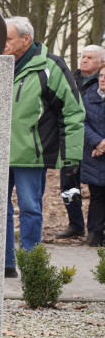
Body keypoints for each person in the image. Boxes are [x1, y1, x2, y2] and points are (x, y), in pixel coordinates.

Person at [3, 16, 84, 278]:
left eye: (7, 39)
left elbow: (72, 112)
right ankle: (4, 263)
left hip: (30, 155)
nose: (2, 44)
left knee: (30, 208)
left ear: (26, 39)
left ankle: (31, 265)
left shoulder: (50, 67)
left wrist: (71, 156)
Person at [55, 45, 105, 240]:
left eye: (90, 58)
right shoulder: (70, 79)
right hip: (71, 141)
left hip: (94, 147)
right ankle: (75, 224)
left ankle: (96, 230)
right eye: (83, 56)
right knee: (69, 186)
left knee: (97, 190)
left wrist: (98, 143)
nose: (84, 60)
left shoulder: (100, 84)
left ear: (101, 63)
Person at [80, 61, 105, 247]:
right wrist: (98, 142)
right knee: (96, 194)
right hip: (95, 154)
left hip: (99, 151)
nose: (103, 79)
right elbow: (82, 121)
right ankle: (95, 235)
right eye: (101, 76)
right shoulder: (89, 95)